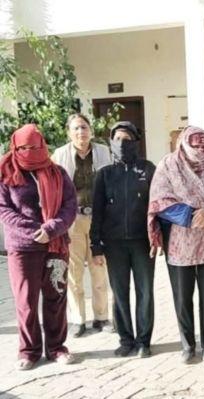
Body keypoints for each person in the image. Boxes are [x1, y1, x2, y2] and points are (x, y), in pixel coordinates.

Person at [0, 124, 77, 370]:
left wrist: (52, 229)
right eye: (25, 148)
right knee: (26, 301)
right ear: (15, 147)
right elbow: (4, 210)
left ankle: (56, 347)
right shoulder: (5, 173)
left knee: (56, 298)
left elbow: (70, 205)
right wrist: (35, 232)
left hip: (55, 245)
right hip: (23, 248)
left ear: (43, 145)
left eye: (36, 146)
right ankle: (29, 351)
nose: (31, 152)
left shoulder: (58, 173)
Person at [148, 126, 204, 364]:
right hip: (180, 241)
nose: (201, 150)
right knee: (182, 296)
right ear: (184, 143)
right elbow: (159, 200)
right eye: (196, 146)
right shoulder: (168, 165)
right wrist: (191, 215)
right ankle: (188, 345)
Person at [90, 121, 156, 358]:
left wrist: (158, 237)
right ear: (111, 142)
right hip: (114, 243)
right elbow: (97, 212)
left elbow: (157, 206)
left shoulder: (148, 169)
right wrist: (96, 245)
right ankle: (126, 339)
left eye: (126, 139)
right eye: (117, 139)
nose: (121, 143)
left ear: (135, 142)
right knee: (119, 293)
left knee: (145, 292)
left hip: (142, 242)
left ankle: (144, 341)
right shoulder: (104, 174)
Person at [52, 114, 112, 338]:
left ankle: (101, 316)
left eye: (84, 127)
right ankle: (78, 319)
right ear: (69, 132)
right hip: (72, 220)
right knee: (74, 272)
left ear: (91, 130)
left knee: (99, 268)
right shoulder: (60, 155)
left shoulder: (103, 152)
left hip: (98, 218)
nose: (81, 132)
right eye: (76, 128)